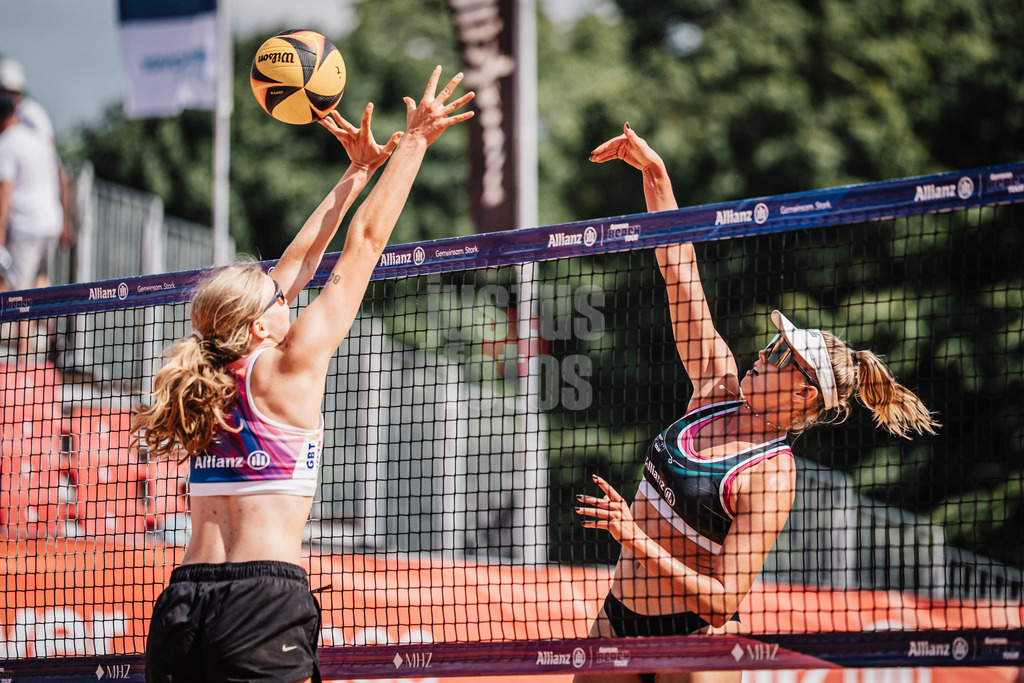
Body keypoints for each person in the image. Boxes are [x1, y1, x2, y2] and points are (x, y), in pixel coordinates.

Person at [130, 66, 473, 683]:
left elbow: (296, 263)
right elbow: (365, 244)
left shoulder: (206, 368)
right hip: (259, 602)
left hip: (182, 604)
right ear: (259, 326)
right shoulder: (289, 365)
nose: (289, 294)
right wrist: (416, 139)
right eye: (279, 300)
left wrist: (357, 173)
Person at [573, 124, 939, 683]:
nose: (762, 356)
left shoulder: (772, 474)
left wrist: (633, 537)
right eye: (771, 346)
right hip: (617, 626)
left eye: (778, 354)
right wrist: (655, 175)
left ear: (804, 392)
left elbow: (721, 600)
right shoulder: (716, 388)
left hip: (694, 651)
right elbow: (679, 271)